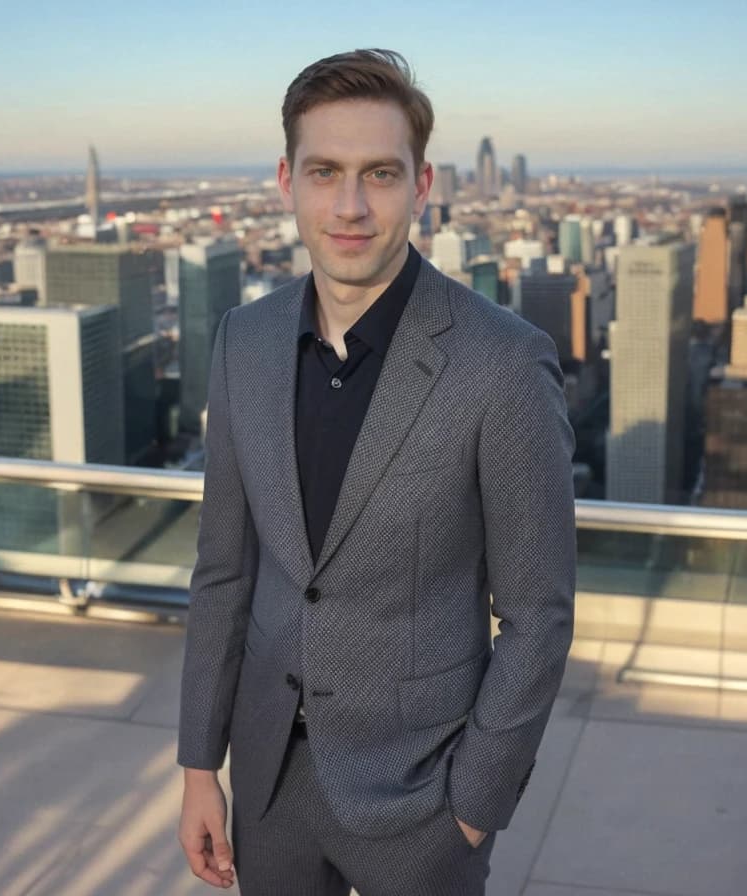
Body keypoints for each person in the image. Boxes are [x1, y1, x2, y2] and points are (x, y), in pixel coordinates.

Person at [177, 48, 576, 895]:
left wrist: (473, 804)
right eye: (325, 172)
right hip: (268, 789)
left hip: (421, 802)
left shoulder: (502, 363)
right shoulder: (242, 343)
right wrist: (196, 765)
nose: (350, 205)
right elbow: (223, 573)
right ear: (287, 180)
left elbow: (538, 615)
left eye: (380, 174)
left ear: (422, 185)